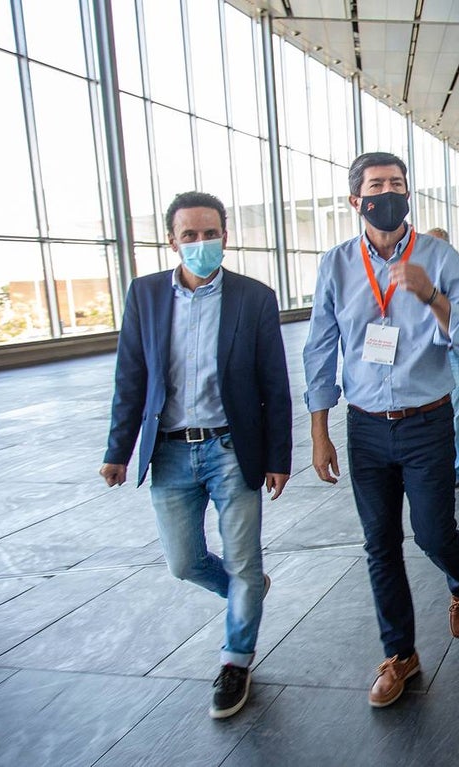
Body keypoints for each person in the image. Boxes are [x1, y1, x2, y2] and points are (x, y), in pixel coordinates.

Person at [100, 191, 292, 719]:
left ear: (225, 236)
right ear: (172, 241)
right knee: (184, 562)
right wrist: (118, 449)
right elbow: (131, 378)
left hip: (232, 446)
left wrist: (279, 455)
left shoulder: (253, 297)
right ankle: (245, 591)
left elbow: (274, 384)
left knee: (244, 560)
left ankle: (235, 661)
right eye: (190, 235)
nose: (201, 243)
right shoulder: (145, 295)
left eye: (211, 233)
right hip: (169, 452)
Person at [303, 152, 459, 708]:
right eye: (376, 186)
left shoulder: (439, 257)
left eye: (397, 184)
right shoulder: (336, 265)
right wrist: (319, 430)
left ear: (409, 195)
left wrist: (430, 294)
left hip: (426, 420)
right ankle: (399, 655)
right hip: (364, 428)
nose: (388, 193)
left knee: (432, 532)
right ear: (356, 200)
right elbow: (319, 348)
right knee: (380, 543)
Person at [425, 226, 459, 488]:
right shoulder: (415, 276)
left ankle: (455, 467)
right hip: (427, 354)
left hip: (454, 352)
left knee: (457, 410)